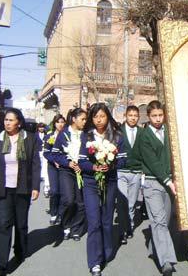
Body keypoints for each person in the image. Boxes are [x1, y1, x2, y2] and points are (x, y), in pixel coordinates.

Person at [0, 108, 41, 276]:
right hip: (3, 188)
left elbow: (35, 165)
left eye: (11, 120)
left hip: (23, 187)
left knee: (21, 223)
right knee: (3, 224)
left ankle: (20, 251)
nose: (7, 123)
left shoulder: (29, 139)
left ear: (19, 122)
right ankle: (0, 263)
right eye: (6, 120)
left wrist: (36, 187)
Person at [78, 103, 126, 276]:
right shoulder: (86, 136)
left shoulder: (117, 136)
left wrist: (111, 165)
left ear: (108, 117)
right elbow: (82, 161)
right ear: (92, 118)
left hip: (110, 182)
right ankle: (94, 262)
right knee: (94, 221)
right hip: (91, 182)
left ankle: (106, 251)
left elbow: (123, 160)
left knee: (106, 221)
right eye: (95, 117)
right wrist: (94, 168)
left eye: (102, 116)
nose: (99, 120)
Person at [136, 100, 177, 276]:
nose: (158, 119)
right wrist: (168, 180)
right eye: (154, 116)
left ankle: (154, 247)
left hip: (169, 183)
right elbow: (152, 162)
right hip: (153, 183)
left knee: (164, 222)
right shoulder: (144, 136)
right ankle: (167, 261)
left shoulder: (170, 131)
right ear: (148, 116)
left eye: (160, 115)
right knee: (159, 221)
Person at [52, 108, 87, 241]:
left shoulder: (86, 134)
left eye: (85, 119)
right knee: (68, 200)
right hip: (67, 171)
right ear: (74, 119)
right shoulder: (63, 134)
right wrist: (67, 162)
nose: (85, 122)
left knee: (81, 203)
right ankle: (66, 224)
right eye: (82, 119)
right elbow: (55, 154)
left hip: (82, 171)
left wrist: (84, 164)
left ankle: (76, 228)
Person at [116, 105, 144, 245]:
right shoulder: (118, 132)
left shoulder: (142, 132)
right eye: (130, 115)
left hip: (136, 172)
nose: (133, 118)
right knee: (122, 202)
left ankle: (130, 225)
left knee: (132, 203)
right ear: (125, 116)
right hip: (121, 171)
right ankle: (122, 230)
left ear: (138, 117)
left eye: (135, 115)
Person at [43, 114, 66, 226]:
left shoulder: (67, 136)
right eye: (58, 122)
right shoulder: (49, 136)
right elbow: (46, 153)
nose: (60, 124)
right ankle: (53, 213)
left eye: (62, 122)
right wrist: (54, 160)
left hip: (64, 166)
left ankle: (61, 214)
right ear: (54, 123)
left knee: (63, 191)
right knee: (54, 191)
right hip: (52, 166)